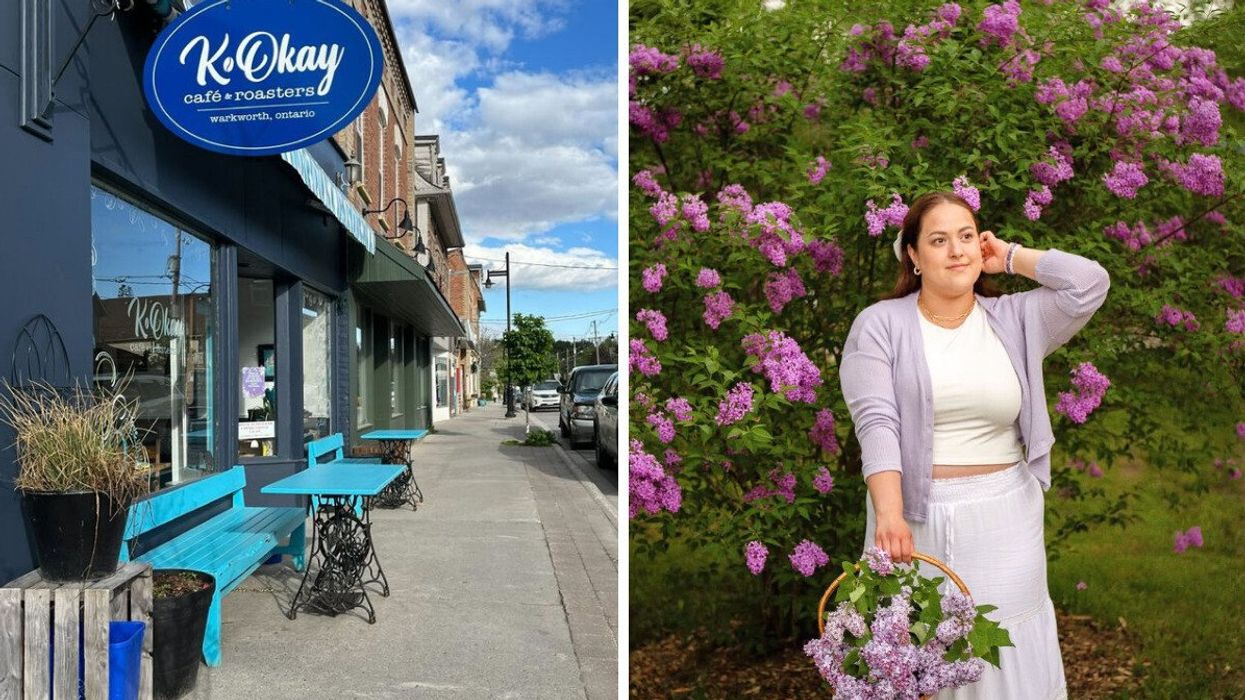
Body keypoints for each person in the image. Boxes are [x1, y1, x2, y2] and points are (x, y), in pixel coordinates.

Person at [839, 191, 1110, 699]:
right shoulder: (879, 326)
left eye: (966, 236)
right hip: (912, 520)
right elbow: (877, 423)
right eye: (938, 240)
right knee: (911, 653)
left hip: (1005, 519)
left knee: (1003, 651)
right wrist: (891, 515)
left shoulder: (1015, 317)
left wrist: (1008, 256)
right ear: (913, 257)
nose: (957, 250)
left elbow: (1089, 283)